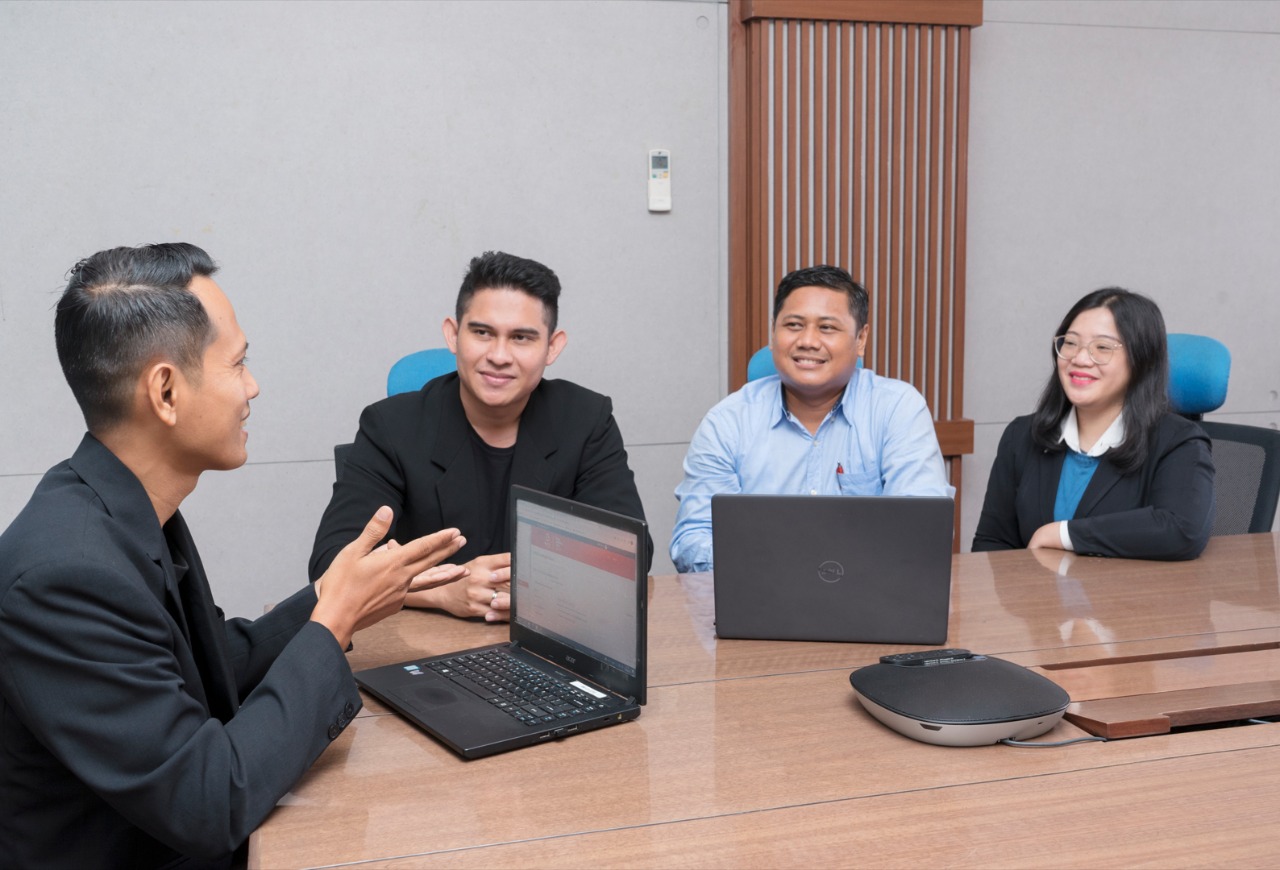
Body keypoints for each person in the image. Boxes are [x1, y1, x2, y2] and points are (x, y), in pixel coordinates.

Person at [0, 243, 466, 869]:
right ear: (166, 392)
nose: (253, 386)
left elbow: (205, 661)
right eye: (238, 363)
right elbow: (209, 800)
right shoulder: (65, 575)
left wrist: (336, 595)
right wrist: (333, 624)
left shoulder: (114, 505)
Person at [309, 250, 653, 621]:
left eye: (521, 337)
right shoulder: (390, 426)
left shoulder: (586, 420)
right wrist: (441, 592)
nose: (499, 355)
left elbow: (630, 555)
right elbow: (333, 565)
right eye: (482, 333)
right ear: (453, 334)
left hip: (546, 636)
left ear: (552, 347)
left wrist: (536, 591)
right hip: (419, 640)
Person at [670, 264, 952, 574]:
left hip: (870, 594)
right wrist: (782, 570)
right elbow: (693, 539)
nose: (808, 341)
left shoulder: (897, 409)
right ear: (773, 333)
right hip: (759, 593)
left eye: (827, 327)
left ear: (861, 339)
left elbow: (920, 531)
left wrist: (808, 565)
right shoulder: (727, 422)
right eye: (793, 325)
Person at [971, 287, 1214, 560]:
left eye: (1102, 348)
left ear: (1141, 361)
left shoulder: (1178, 442)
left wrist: (1062, 535)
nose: (1079, 359)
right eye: (1070, 343)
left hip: (1129, 589)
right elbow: (992, 542)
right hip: (1035, 588)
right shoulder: (1022, 435)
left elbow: (1182, 530)